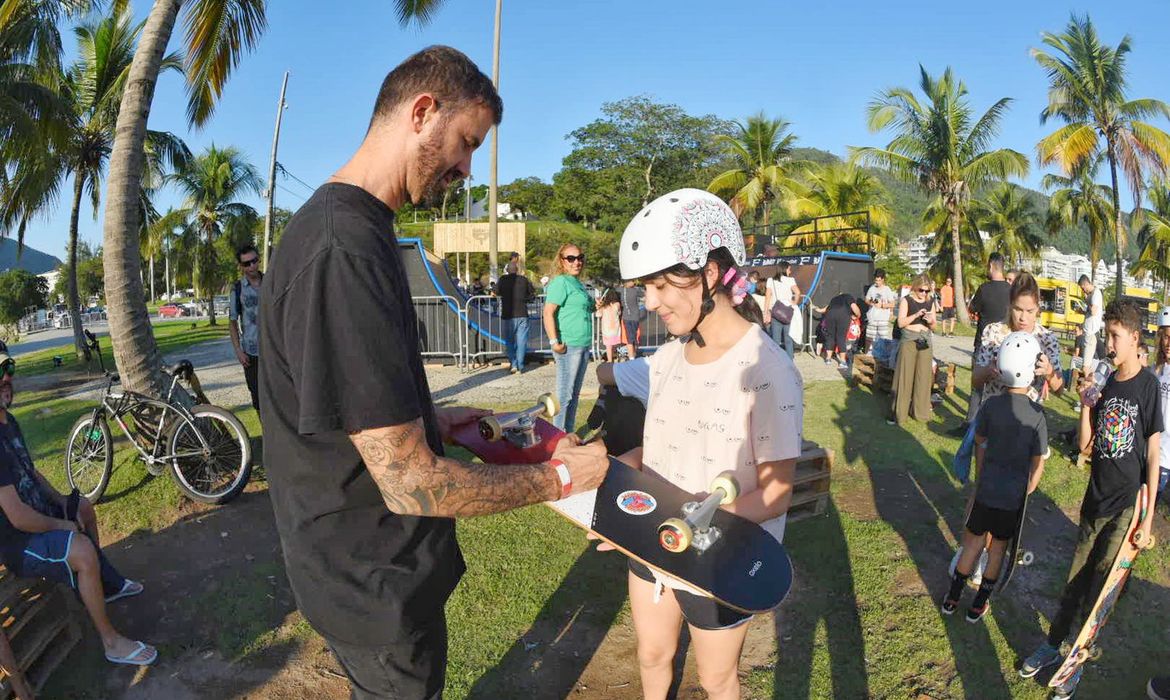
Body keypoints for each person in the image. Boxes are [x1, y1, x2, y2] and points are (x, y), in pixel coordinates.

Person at [257, 46, 609, 699]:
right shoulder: (344, 248)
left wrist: (440, 420)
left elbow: (346, 403)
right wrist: (561, 478)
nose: (467, 168)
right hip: (372, 579)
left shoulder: (361, 229)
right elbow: (410, 484)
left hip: (370, 569)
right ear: (422, 112)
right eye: (466, 143)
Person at [613, 188, 802, 700]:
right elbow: (655, 452)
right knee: (652, 656)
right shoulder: (667, 358)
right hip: (656, 541)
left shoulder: (768, 370)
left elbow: (777, 494)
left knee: (716, 679)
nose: (649, 302)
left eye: (658, 284)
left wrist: (692, 523)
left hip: (726, 557)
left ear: (710, 274)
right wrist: (612, 479)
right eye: (644, 286)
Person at [1020, 300, 1161, 699]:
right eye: (1107, 337)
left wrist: (1147, 519)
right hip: (1094, 499)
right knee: (1076, 579)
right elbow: (1085, 446)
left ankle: (1077, 660)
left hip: (1125, 506)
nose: (1109, 345)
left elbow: (1152, 452)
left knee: (1101, 585)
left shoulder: (1147, 386)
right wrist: (1086, 405)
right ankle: (1053, 646)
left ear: (1135, 338)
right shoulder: (1107, 383)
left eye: (1115, 337)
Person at [0, 343, 154, 666]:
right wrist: (61, 524)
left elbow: (32, 471)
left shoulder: (8, 421)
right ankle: (111, 642)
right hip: (19, 542)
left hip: (38, 512)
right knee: (81, 550)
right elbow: (16, 517)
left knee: (83, 508)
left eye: (7, 369)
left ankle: (104, 585)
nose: (5, 379)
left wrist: (62, 501)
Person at [942, 332, 1048, 622]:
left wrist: (980, 478)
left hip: (986, 490)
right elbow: (1038, 462)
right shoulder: (1038, 415)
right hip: (1012, 497)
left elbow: (980, 443)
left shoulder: (990, 407)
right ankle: (978, 605)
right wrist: (1029, 488)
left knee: (972, 543)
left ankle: (952, 597)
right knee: (997, 549)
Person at [970, 272, 1064, 406]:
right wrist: (987, 370)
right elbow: (975, 381)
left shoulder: (1046, 338)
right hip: (993, 415)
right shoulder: (993, 332)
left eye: (1030, 311)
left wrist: (1048, 371)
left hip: (1027, 419)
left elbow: (1059, 390)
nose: (1023, 318)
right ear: (1010, 305)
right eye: (1018, 309)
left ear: (1038, 308)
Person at [543, 242, 595, 431]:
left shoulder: (577, 284)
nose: (576, 262)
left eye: (580, 258)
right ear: (562, 261)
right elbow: (548, 312)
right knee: (565, 396)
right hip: (568, 346)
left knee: (574, 394)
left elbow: (587, 307)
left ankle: (568, 436)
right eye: (571, 258)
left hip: (582, 344)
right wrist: (554, 342)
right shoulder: (560, 282)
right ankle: (558, 438)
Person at [959, 253, 1012, 434]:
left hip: (983, 343)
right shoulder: (1012, 291)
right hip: (1005, 346)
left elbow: (972, 309)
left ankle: (970, 424)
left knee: (977, 388)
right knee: (1001, 388)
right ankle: (997, 427)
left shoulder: (984, 289)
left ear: (991, 266)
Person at [889, 274, 937, 425]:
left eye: (927, 291)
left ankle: (921, 413)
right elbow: (901, 322)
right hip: (909, 340)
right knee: (904, 377)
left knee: (924, 378)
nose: (924, 293)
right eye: (921, 290)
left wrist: (930, 321)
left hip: (925, 341)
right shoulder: (906, 301)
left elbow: (934, 326)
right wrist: (916, 315)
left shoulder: (930, 302)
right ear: (915, 288)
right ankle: (899, 414)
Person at [229, 244, 263, 412]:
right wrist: (238, 351)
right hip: (251, 353)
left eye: (254, 261)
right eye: (246, 264)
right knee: (258, 399)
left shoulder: (271, 283)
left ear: (259, 260)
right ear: (241, 266)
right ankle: (267, 436)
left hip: (275, 352)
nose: (252, 266)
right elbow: (233, 322)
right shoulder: (237, 289)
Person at [497, 260, 535, 374]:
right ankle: (520, 365)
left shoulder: (503, 280)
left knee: (509, 341)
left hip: (508, 314)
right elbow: (532, 292)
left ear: (507, 270)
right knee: (522, 341)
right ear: (517, 270)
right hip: (523, 313)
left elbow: (496, 292)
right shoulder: (524, 280)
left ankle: (513, 364)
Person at [813, 293, 861, 368]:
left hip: (830, 315)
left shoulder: (834, 299)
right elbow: (854, 307)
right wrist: (858, 315)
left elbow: (824, 310)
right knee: (841, 337)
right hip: (843, 315)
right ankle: (842, 361)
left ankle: (828, 359)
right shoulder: (848, 297)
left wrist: (815, 308)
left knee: (830, 337)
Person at [764, 262, 800, 358]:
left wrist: (766, 312)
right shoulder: (791, 280)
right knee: (788, 339)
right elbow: (798, 292)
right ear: (785, 269)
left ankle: (776, 361)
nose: (790, 271)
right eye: (789, 269)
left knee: (776, 339)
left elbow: (767, 297)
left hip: (776, 312)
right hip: (788, 311)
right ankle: (790, 361)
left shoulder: (770, 280)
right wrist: (794, 302)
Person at [1155, 308, 1170, 508]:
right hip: (1152, 449)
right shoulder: (1155, 371)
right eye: (1166, 337)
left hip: (1166, 454)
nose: (1168, 343)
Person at [864, 268, 898, 351]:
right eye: (876, 280)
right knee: (869, 337)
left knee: (883, 338)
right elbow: (866, 299)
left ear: (883, 279)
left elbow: (893, 304)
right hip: (872, 317)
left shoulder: (887, 289)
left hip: (883, 318)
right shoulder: (872, 288)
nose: (877, 282)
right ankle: (867, 352)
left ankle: (882, 354)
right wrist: (871, 303)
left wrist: (883, 305)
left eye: (879, 280)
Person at [1079, 274, 1104, 372]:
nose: (1083, 291)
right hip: (1089, 333)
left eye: (1082, 288)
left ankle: (1087, 387)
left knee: (1085, 366)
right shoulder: (1092, 294)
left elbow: (1093, 311)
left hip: (1091, 333)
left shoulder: (1095, 294)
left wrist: (1087, 301)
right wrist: (1083, 311)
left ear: (1085, 284)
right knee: (1088, 365)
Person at [619, 280, 644, 360]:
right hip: (631, 317)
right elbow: (646, 295)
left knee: (631, 338)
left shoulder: (620, 290)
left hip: (629, 317)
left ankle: (632, 356)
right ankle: (632, 357)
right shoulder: (636, 290)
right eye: (632, 281)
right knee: (632, 338)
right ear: (627, 282)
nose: (635, 282)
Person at [597, 289, 622, 363]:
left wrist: (599, 306)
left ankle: (610, 360)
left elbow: (598, 314)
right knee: (615, 344)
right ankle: (614, 355)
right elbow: (619, 313)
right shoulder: (617, 304)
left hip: (606, 329)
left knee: (608, 346)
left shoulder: (604, 306)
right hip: (615, 328)